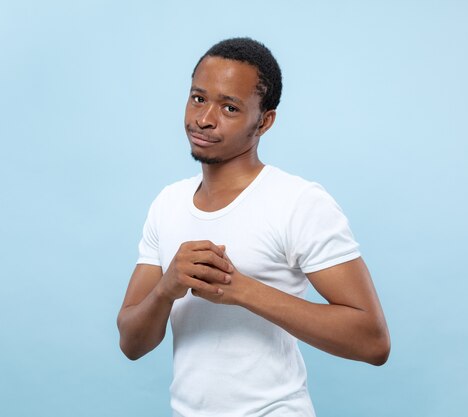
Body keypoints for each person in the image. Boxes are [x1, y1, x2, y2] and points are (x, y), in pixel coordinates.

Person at [117, 37, 390, 417]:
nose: (205, 118)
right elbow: (131, 343)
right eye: (198, 98)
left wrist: (241, 289)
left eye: (230, 107)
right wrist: (166, 289)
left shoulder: (298, 202)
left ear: (264, 121)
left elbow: (373, 341)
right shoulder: (167, 204)